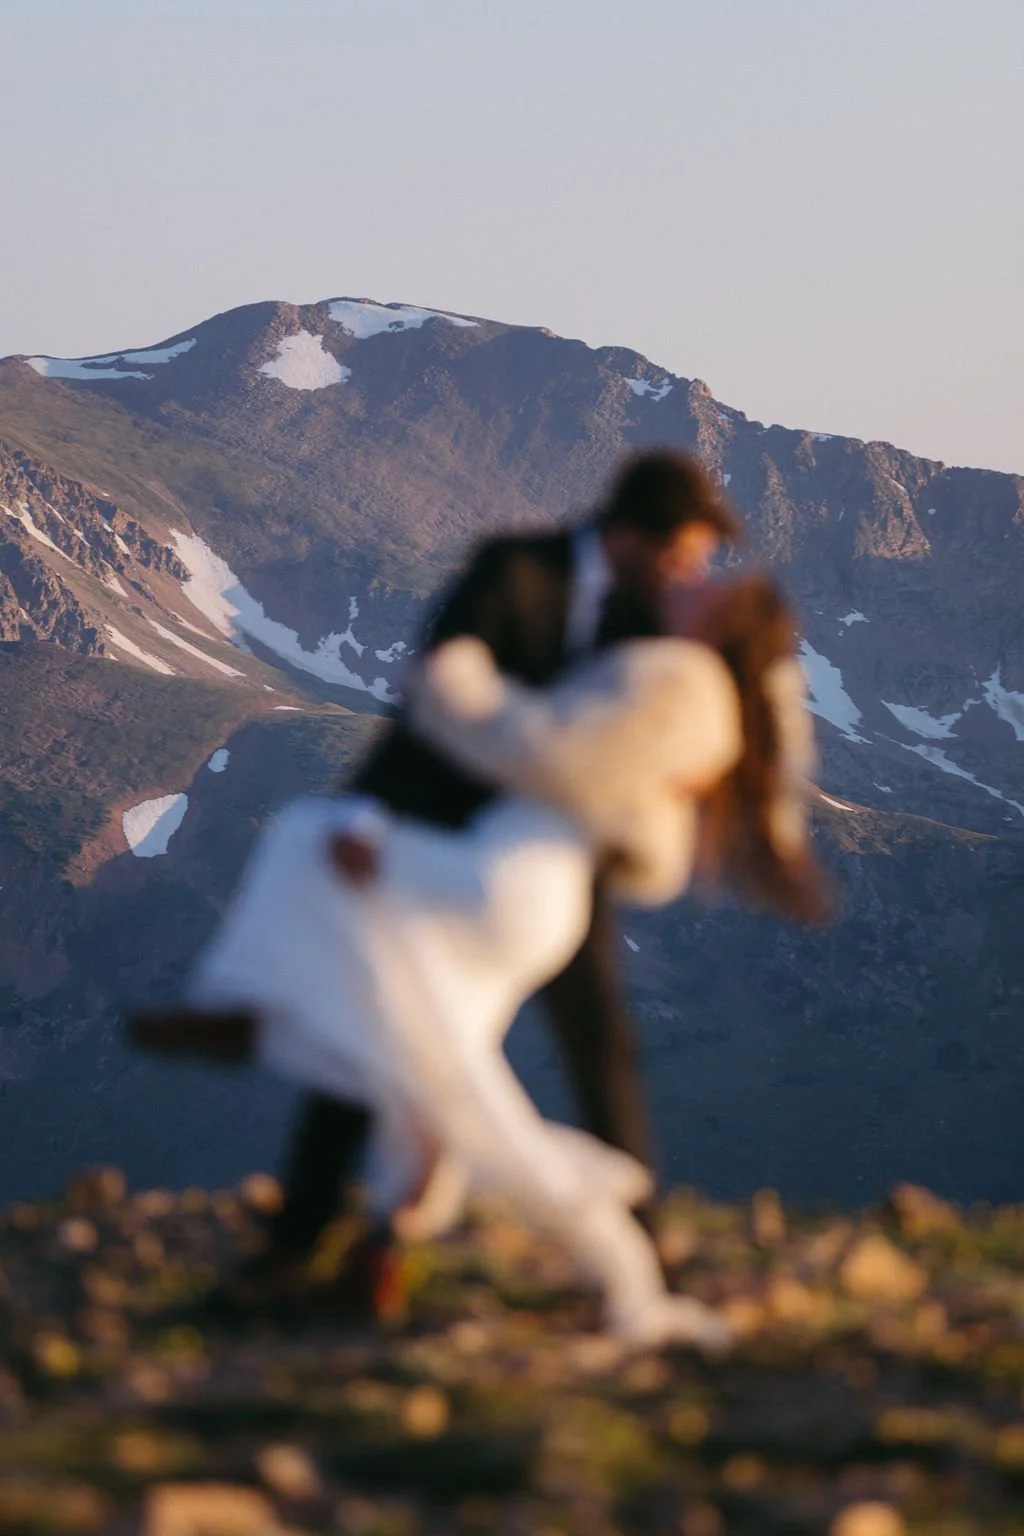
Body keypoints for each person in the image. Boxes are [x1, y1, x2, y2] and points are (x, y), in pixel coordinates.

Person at [154, 574, 823, 1345]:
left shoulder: (681, 676)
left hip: (507, 880)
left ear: (722, 624)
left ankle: (240, 1008)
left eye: (712, 591)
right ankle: (406, 1250)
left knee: (308, 835)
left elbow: (556, 758)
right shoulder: (707, 703)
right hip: (536, 893)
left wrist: (458, 689)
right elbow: (645, 838)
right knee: (441, 1067)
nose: (693, 583)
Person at [257, 450, 742, 1301]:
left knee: (599, 1041)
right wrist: (365, 815)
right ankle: (308, 1239)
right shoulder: (516, 570)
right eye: (687, 549)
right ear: (634, 535)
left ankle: (640, 1244)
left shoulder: (647, 613)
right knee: (380, 1028)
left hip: (552, 858)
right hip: (441, 847)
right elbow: (430, 699)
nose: (696, 567)